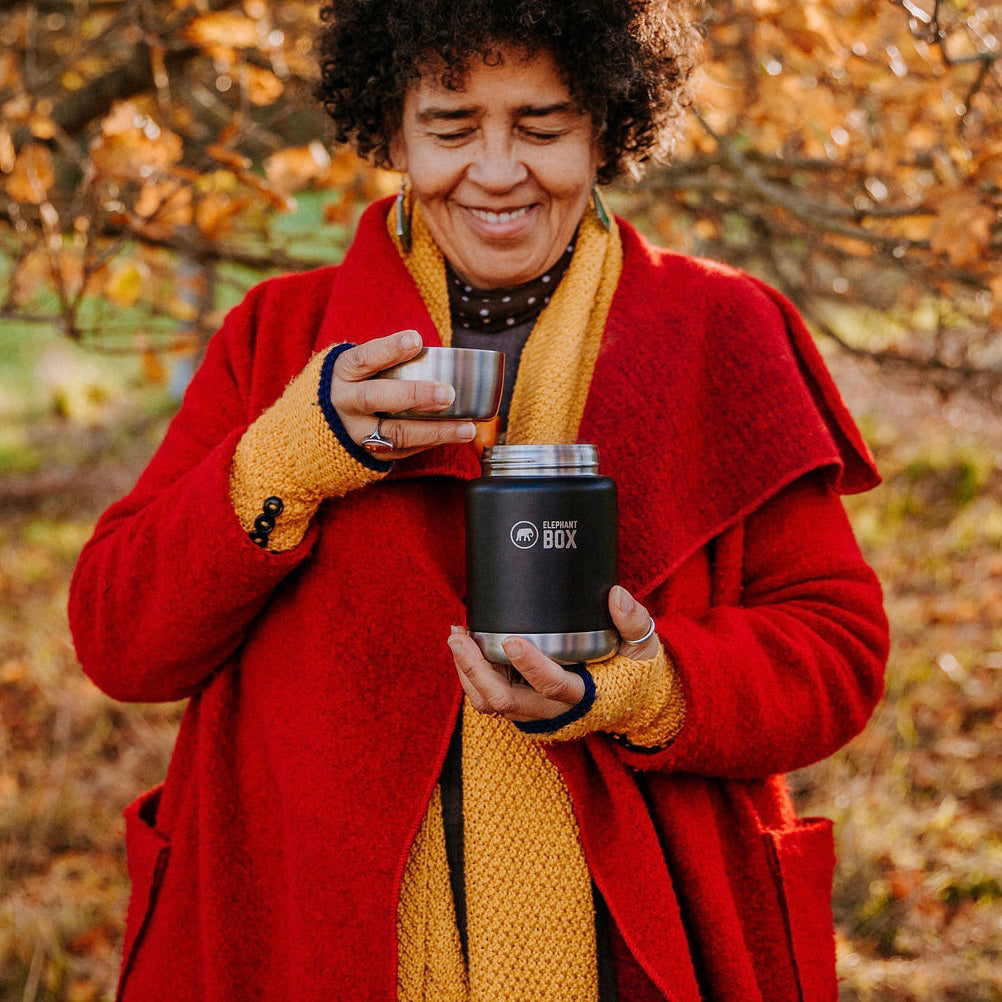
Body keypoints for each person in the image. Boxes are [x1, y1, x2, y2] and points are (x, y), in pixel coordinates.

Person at [68, 1, 889, 999]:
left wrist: (645, 686)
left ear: (607, 127)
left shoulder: (724, 329)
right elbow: (122, 641)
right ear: (394, 130)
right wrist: (287, 455)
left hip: (638, 946)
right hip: (311, 945)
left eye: (542, 128)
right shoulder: (279, 335)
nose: (498, 172)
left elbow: (837, 651)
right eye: (452, 129)